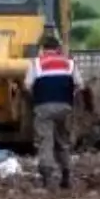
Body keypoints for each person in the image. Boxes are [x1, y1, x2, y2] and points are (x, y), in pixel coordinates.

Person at [24, 35, 84, 190]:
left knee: (46, 141)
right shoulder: (69, 63)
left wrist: (36, 97)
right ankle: (66, 175)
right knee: (62, 141)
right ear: (58, 49)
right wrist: (69, 96)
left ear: (43, 49)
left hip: (43, 107)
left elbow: (27, 85)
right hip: (64, 107)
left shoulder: (36, 63)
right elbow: (80, 85)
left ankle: (47, 178)